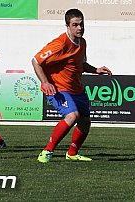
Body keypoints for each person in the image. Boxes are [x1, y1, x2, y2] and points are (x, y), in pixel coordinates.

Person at [32, 9, 112, 163]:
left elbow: (80, 64)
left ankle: (72, 153)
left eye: (81, 24)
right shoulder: (60, 44)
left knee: (85, 121)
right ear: (67, 26)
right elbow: (36, 61)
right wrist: (45, 82)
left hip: (77, 88)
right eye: (75, 25)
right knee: (72, 116)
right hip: (58, 88)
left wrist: (95, 70)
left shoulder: (82, 42)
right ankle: (47, 151)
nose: (79, 28)